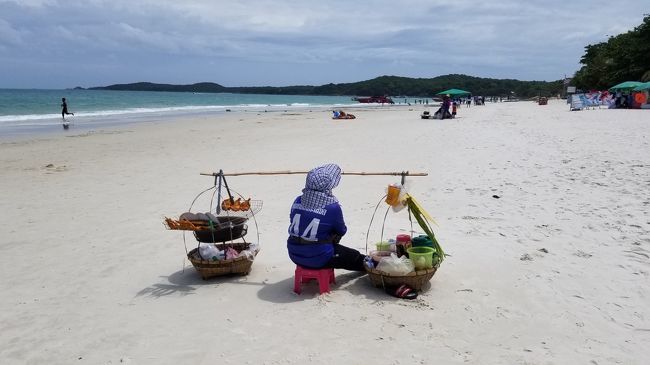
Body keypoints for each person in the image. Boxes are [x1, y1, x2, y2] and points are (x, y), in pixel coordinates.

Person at [287, 163, 366, 271]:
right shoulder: (332, 207)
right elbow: (342, 230)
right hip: (319, 257)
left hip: (294, 253)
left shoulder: (298, 200)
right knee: (355, 257)